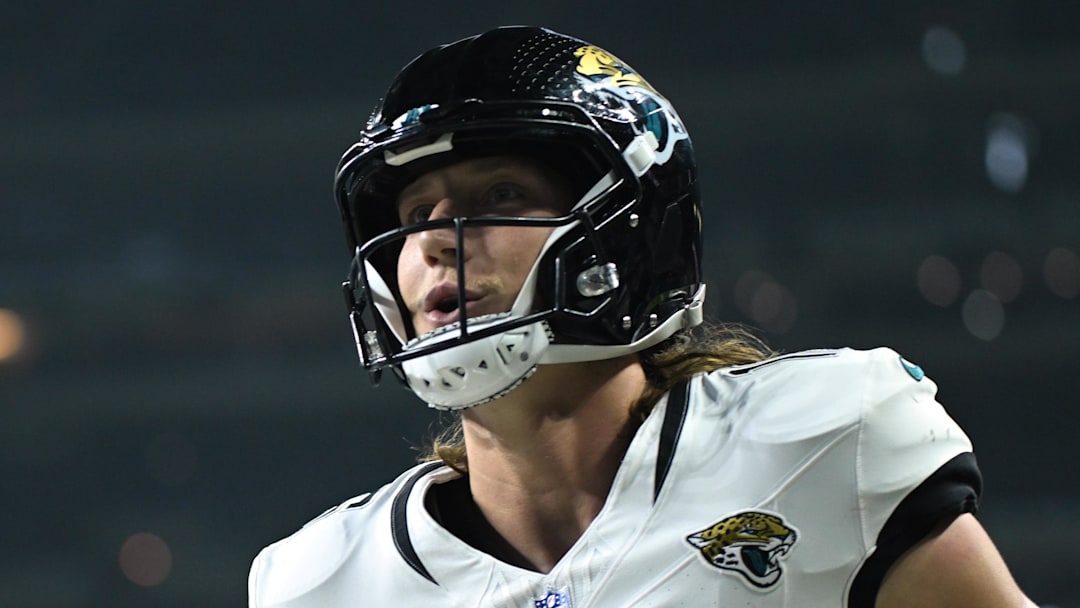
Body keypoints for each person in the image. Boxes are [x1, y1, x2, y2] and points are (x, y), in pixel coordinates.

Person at [249, 26, 1035, 607]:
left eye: (500, 196)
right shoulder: (320, 582)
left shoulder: (824, 441)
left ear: (628, 236)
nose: (435, 246)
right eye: (417, 214)